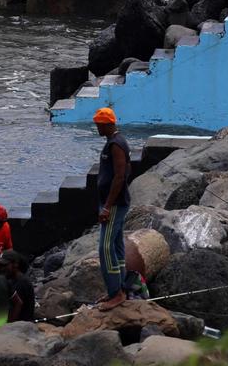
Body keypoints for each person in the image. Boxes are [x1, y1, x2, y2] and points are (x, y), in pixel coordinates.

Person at [93, 106, 130, 311]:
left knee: (105, 247)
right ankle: (119, 287)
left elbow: (120, 176)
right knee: (116, 245)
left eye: (99, 126)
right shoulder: (114, 141)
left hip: (114, 204)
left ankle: (116, 293)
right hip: (113, 202)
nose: (97, 129)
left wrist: (107, 207)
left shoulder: (116, 144)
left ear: (107, 125)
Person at [0, 249, 34, 322]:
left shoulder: (21, 283)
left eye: (4, 265)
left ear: (15, 264)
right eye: (0, 265)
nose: (1, 268)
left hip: (20, 327)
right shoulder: (12, 280)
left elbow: (16, 307)